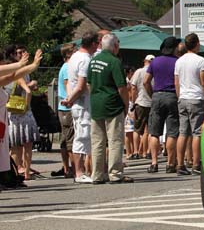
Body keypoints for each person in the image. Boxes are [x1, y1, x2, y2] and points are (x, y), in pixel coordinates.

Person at [87, 33, 132, 184]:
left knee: (97, 142)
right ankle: (115, 173)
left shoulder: (93, 61)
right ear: (115, 46)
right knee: (115, 140)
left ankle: (97, 175)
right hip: (112, 105)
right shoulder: (114, 61)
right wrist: (126, 104)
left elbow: (89, 83)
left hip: (96, 104)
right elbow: (121, 87)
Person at [61, 31, 98, 184]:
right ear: (93, 44)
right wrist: (71, 99)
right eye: (97, 43)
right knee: (82, 137)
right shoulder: (85, 59)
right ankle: (79, 171)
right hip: (82, 104)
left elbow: (70, 82)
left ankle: (82, 171)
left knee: (82, 136)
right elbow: (82, 85)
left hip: (78, 102)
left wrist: (70, 97)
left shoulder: (75, 56)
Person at [174, 33, 204, 176]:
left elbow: (176, 82)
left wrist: (179, 96)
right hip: (197, 98)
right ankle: (196, 164)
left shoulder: (179, 61)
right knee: (197, 132)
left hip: (183, 98)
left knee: (183, 132)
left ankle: (180, 164)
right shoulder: (200, 61)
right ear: (197, 44)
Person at [2, 48, 43, 181]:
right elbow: (12, 75)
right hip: (10, 118)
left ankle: (10, 176)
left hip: (4, 120)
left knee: (11, 149)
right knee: (17, 147)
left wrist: (32, 65)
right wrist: (20, 64)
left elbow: (12, 76)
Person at [144, 36, 181, 174]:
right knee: (172, 132)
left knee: (154, 132)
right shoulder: (177, 62)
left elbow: (146, 81)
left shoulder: (155, 62)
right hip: (172, 96)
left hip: (157, 96)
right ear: (174, 48)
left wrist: (152, 94)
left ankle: (154, 163)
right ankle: (170, 163)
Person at [52, 43, 76, 178]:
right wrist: (70, 98)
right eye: (74, 51)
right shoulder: (67, 67)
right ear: (68, 54)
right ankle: (73, 168)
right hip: (67, 107)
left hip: (64, 107)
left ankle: (68, 168)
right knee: (70, 139)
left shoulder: (66, 67)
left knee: (65, 138)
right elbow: (67, 84)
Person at [131, 55, 154, 159]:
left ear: (145, 61)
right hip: (152, 103)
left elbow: (133, 87)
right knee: (149, 130)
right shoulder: (154, 72)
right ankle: (148, 151)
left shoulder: (139, 71)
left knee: (137, 129)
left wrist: (133, 101)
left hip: (140, 102)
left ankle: (136, 152)